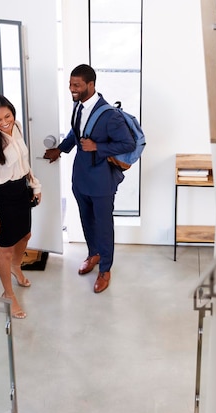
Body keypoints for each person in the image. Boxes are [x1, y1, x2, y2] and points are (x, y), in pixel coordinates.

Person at [44, 64, 135, 294]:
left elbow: (128, 144)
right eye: (70, 85)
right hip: (81, 178)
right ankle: (93, 253)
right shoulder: (78, 105)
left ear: (91, 85)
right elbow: (76, 133)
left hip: (102, 181)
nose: (71, 89)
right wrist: (61, 150)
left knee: (103, 226)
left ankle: (105, 269)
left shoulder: (110, 115)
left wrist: (98, 146)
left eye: (77, 85)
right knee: (86, 219)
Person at [0, 94, 42, 318]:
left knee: (25, 235)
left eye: (7, 115)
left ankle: (17, 267)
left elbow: (24, 161)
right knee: (4, 250)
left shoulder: (16, 127)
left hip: (20, 190)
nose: (5, 122)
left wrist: (35, 185)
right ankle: (8, 294)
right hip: (3, 196)